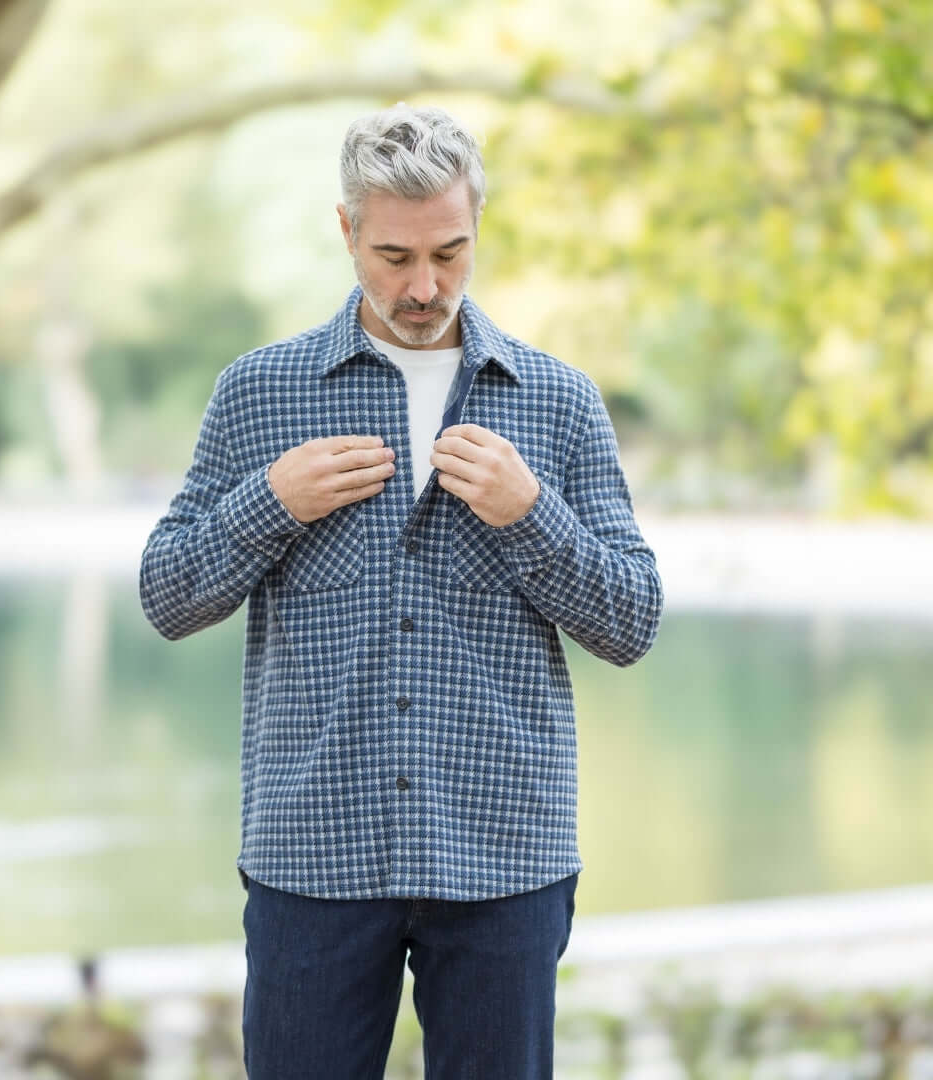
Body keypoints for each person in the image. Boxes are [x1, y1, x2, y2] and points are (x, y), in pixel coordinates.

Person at [140, 102, 662, 1079]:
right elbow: (168, 598)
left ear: (476, 229)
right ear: (345, 231)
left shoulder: (557, 399)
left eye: (450, 253)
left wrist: (531, 513)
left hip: (504, 857)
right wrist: (270, 501)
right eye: (393, 256)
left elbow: (632, 620)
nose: (424, 286)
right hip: (313, 860)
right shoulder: (259, 392)